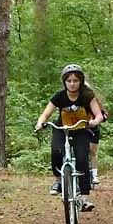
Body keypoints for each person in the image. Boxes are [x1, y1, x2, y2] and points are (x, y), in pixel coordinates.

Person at [34, 64, 104, 211]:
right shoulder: (59, 96)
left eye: (75, 81)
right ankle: (59, 181)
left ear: (80, 81)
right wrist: (40, 122)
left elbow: (98, 114)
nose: (72, 84)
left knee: (82, 160)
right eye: (69, 81)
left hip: (81, 130)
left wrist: (94, 122)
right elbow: (46, 113)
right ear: (64, 82)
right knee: (56, 152)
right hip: (62, 129)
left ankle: (84, 198)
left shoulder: (87, 95)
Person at [85, 81, 109, 187]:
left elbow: (104, 114)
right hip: (78, 129)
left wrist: (95, 121)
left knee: (93, 151)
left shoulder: (95, 101)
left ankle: (94, 175)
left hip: (92, 129)